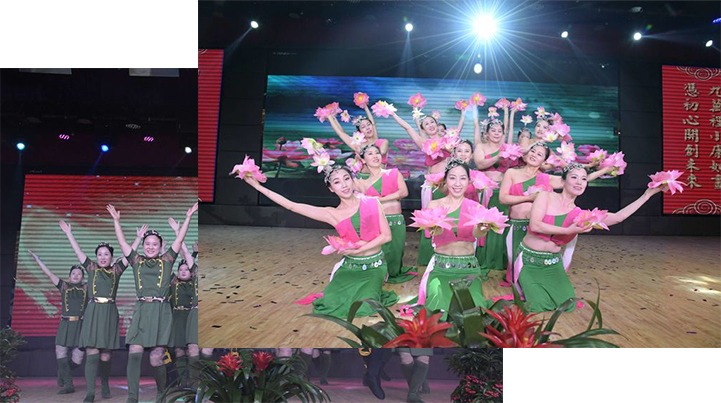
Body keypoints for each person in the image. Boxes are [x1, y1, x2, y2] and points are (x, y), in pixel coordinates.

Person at [239, 165, 397, 318]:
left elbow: (386, 236)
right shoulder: (331, 213)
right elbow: (291, 206)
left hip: (374, 267)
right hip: (350, 267)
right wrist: (257, 187)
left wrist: (359, 249)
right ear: (331, 188)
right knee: (330, 304)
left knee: (364, 306)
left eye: (346, 179)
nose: (344, 185)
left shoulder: (372, 203)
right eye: (337, 182)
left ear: (352, 180)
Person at [516, 163, 668, 311]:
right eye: (574, 177)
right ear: (563, 181)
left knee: (567, 304)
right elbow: (535, 225)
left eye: (583, 179)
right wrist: (568, 230)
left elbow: (618, 217)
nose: (579, 182)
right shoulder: (545, 196)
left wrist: (647, 195)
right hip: (529, 261)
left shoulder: (581, 215)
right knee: (539, 304)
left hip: (552, 264)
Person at [106, 202, 198, 403]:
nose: (150, 247)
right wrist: (116, 221)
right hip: (141, 310)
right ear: (143, 246)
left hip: (161, 311)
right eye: (147, 243)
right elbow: (122, 244)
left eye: (155, 244)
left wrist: (188, 218)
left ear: (160, 246)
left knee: (156, 358)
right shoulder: (136, 261)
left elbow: (180, 239)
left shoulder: (167, 260)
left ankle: (161, 392)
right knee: (134, 352)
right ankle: (132, 397)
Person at [498, 142, 612, 285]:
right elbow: (503, 198)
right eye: (533, 151)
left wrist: (604, 169)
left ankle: (533, 284)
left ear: (544, 160)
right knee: (513, 259)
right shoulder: (512, 173)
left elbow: (576, 179)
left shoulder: (546, 178)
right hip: (516, 225)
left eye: (539, 154)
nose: (534, 155)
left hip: (536, 227)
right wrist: (530, 198)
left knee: (529, 266)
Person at [59, 220, 143, 402]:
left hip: (109, 313)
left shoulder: (116, 270)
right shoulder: (91, 268)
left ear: (112, 257)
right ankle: (90, 393)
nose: (103, 257)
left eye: (106, 254)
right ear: (96, 257)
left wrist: (137, 239)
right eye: (99, 254)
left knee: (105, 354)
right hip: (93, 311)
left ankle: (104, 382)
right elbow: (78, 251)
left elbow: (129, 254)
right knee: (92, 352)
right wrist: (69, 234)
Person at [408, 158, 492, 316]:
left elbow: (477, 233)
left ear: (469, 181)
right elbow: (432, 233)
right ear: (445, 180)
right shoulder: (434, 205)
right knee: (438, 307)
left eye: (462, 178)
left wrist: (482, 229)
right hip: (441, 269)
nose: (457, 183)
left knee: (474, 311)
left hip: (468, 270)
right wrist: (436, 229)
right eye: (452, 178)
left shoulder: (476, 207)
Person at [27, 250, 87, 395]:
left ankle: (63, 371)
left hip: (80, 325)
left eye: (79, 274)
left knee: (77, 360)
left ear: (83, 277)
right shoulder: (64, 286)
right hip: (65, 324)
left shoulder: (86, 288)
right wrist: (38, 260)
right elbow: (49, 274)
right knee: (60, 352)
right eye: (73, 273)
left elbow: (100, 276)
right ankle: (69, 385)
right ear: (69, 276)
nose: (76, 275)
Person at [354, 144, 415, 283]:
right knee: (381, 251)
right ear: (362, 160)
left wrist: (379, 199)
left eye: (377, 153)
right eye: (370, 154)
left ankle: (393, 273)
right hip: (377, 222)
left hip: (396, 220)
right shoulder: (362, 182)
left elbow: (403, 192)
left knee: (396, 251)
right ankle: (379, 274)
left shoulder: (393, 173)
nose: (375, 156)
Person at [167, 218, 198, 388]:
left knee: (192, 350)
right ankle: (183, 382)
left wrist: (194, 254)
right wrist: (176, 232)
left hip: (191, 316)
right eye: (181, 269)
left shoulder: (194, 281)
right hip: (178, 318)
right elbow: (171, 262)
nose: (184, 271)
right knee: (179, 350)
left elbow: (187, 254)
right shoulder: (174, 282)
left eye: (186, 269)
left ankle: (194, 383)